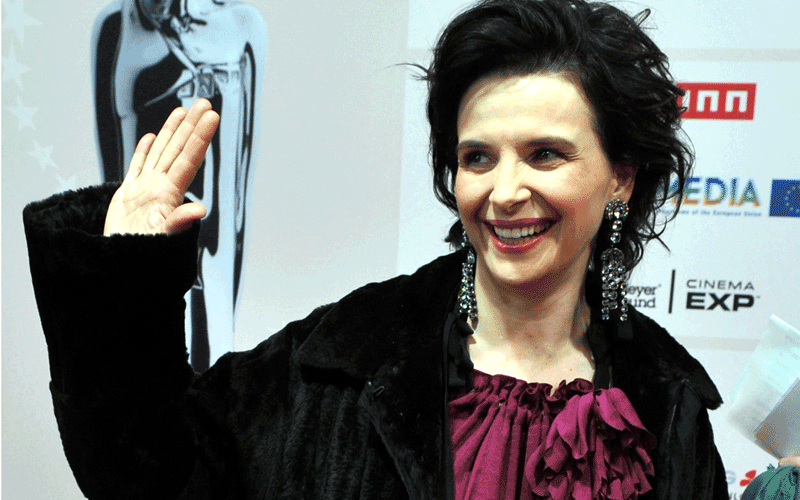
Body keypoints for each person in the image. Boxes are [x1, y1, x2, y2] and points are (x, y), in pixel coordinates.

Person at [22, 0, 740, 498]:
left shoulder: (664, 403)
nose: (505, 191)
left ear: (619, 178)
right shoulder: (341, 362)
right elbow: (148, 475)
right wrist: (122, 273)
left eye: (545, 154)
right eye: (478, 158)